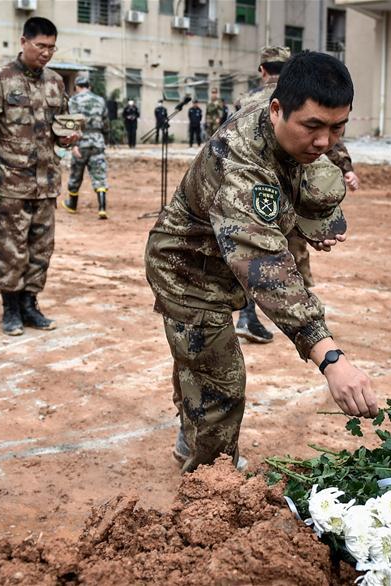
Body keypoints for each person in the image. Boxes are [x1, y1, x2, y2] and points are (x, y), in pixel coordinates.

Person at [145, 51, 378, 473]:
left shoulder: (282, 105)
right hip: (188, 270)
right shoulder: (241, 166)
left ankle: (189, 433)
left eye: (337, 127)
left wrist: (307, 219)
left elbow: (297, 177)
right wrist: (330, 357)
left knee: (199, 362)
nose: (325, 141)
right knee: (222, 383)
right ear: (276, 110)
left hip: (221, 255)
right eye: (312, 127)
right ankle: (209, 483)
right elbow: (265, 268)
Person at [233, 46, 361, 343]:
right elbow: (326, 143)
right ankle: (300, 316)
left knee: (252, 250)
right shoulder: (300, 95)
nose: (321, 138)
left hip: (255, 190)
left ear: (263, 69)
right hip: (282, 188)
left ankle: (252, 315)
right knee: (281, 253)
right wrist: (346, 167)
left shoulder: (247, 99)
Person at [0, 16, 80, 336]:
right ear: (23, 42)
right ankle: (10, 308)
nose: (46, 53)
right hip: (9, 181)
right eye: (40, 46)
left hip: (46, 181)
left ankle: (30, 304)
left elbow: (62, 126)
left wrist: (67, 139)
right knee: (11, 247)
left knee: (41, 247)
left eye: (51, 47)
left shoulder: (56, 82)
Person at [63, 73, 109, 219]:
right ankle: (102, 208)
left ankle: (72, 204)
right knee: (99, 173)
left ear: (76, 87)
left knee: (76, 173)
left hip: (80, 140)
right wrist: (104, 139)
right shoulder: (100, 100)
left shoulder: (73, 100)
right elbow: (106, 122)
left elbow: (70, 124)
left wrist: (73, 145)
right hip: (97, 140)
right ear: (89, 86)